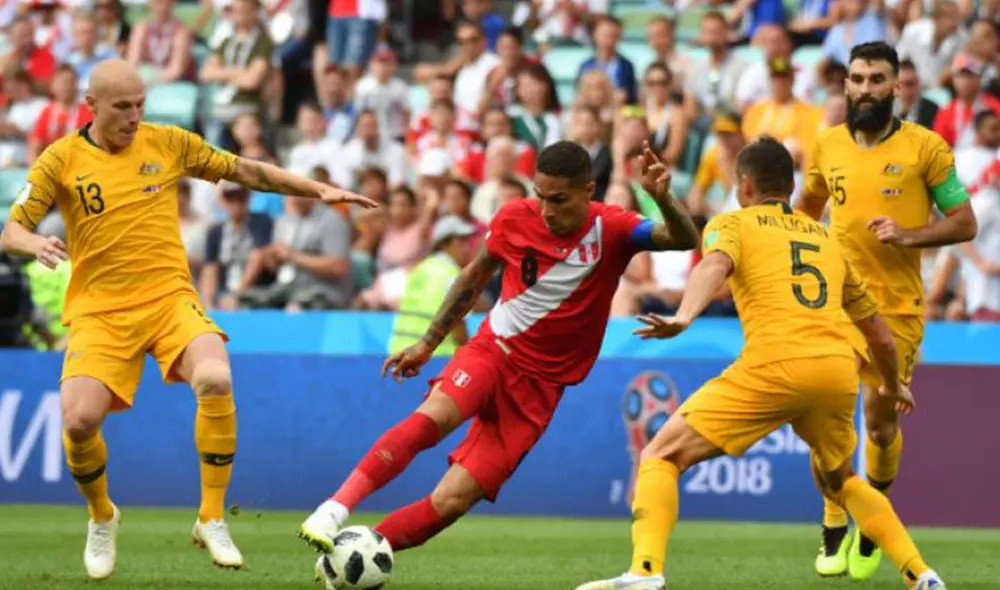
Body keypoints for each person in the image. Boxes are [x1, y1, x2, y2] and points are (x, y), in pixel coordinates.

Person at [0, 59, 375, 581]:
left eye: (140, 105)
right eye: (122, 107)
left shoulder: (168, 143)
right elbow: (11, 230)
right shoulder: (60, 159)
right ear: (92, 106)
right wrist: (35, 241)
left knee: (216, 378)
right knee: (80, 421)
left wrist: (317, 190)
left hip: (169, 297)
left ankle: (212, 517)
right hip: (101, 310)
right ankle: (102, 515)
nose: (134, 116)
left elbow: (243, 169)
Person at [297, 141, 700, 563]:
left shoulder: (613, 229)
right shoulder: (513, 218)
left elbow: (682, 237)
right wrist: (427, 344)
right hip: (495, 349)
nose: (546, 210)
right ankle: (333, 510)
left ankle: (352, 557)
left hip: (539, 390)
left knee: (451, 502)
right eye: (541, 197)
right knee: (430, 421)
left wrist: (661, 198)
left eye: (559, 200)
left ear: (588, 189)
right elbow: (472, 278)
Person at [574, 137, 947, 590]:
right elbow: (879, 334)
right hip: (835, 369)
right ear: (790, 187)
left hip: (774, 364)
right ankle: (921, 575)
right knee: (843, 479)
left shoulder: (732, 223)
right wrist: (893, 384)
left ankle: (645, 572)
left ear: (744, 185)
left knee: (661, 455)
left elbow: (712, 266)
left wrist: (685, 315)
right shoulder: (828, 238)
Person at [797, 41, 976, 580]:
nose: (866, 88)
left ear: (897, 86)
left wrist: (910, 234)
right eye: (857, 79)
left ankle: (875, 521)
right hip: (832, 306)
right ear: (845, 85)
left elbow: (964, 222)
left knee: (877, 427)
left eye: (877, 79)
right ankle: (833, 521)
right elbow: (805, 213)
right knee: (826, 418)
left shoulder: (927, 148)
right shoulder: (826, 144)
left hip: (896, 309)